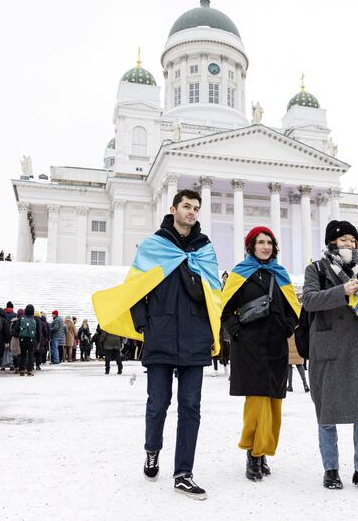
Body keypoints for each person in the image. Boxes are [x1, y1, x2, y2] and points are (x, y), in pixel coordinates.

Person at [98, 188, 220, 499]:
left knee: (191, 407)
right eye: (186, 206)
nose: (191, 212)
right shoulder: (154, 246)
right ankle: (152, 449)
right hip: (161, 334)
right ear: (174, 208)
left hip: (195, 335)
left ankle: (184, 472)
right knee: (158, 403)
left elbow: (213, 291)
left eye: (195, 208)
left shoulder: (204, 249)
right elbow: (136, 287)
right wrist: (145, 326)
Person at [302, 220, 358, 493]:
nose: (349, 244)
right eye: (343, 239)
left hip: (357, 348)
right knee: (327, 413)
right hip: (328, 348)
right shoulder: (316, 268)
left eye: (352, 240)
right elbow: (310, 300)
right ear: (332, 242)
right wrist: (342, 291)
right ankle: (331, 469)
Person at [221, 226, 300, 481]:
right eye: (260, 242)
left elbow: (293, 309)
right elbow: (225, 310)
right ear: (251, 246)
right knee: (256, 403)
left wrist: (286, 327)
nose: (265, 246)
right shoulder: (239, 274)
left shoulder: (281, 275)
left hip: (275, 347)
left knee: (274, 403)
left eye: (269, 242)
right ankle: (253, 454)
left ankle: (262, 450)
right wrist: (238, 334)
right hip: (249, 347)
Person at [11, 305, 41, 376]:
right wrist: (38, 341)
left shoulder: (21, 318)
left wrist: (20, 334)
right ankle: (30, 370)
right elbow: (39, 331)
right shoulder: (36, 319)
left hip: (22, 339)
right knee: (31, 355)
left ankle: (21, 370)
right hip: (32, 339)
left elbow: (14, 330)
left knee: (23, 354)